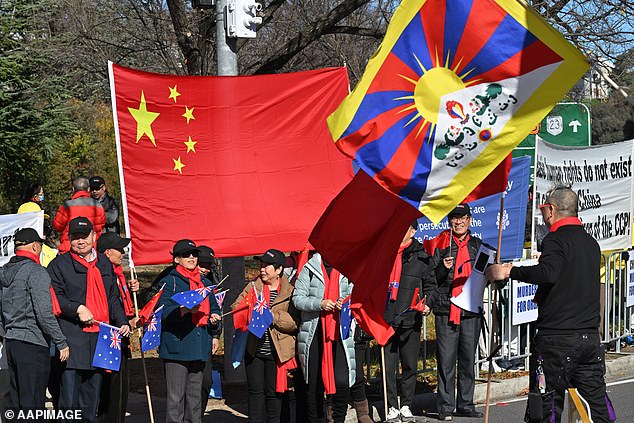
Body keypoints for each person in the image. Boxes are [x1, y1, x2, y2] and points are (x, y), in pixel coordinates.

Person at [486, 186, 615, 423]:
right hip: (588, 337)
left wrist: (509, 271)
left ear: (551, 210)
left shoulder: (555, 239)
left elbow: (548, 273)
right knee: (597, 402)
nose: (543, 215)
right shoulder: (591, 243)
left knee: (545, 405)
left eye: (543, 208)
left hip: (557, 339)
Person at [47, 217, 130, 422]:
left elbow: (112, 297)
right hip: (73, 340)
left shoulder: (104, 263)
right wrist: (76, 308)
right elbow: (53, 297)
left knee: (91, 400)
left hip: (100, 340)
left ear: (94, 236)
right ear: (69, 239)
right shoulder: (59, 265)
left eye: (84, 236)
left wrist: (122, 321)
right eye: (75, 237)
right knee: (69, 402)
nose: (80, 240)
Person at [427, 203, 484, 421]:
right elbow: (430, 279)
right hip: (446, 310)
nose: (458, 221)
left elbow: (483, 278)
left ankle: (466, 404)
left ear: (470, 220)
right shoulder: (440, 245)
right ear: (449, 221)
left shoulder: (478, 246)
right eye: (454, 217)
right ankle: (445, 407)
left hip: (470, 311)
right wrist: (443, 268)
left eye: (462, 217)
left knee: (468, 359)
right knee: (447, 361)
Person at [0, 228, 69, 409]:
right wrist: (61, 342)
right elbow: (44, 312)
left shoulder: (4, 271)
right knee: (33, 404)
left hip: (12, 343)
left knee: (17, 402)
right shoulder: (36, 271)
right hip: (33, 344)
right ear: (35, 246)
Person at [230, 249, 298, 423]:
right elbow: (236, 307)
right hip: (254, 349)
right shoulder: (254, 287)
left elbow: (294, 322)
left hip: (278, 353)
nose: (262, 269)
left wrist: (273, 317)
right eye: (261, 265)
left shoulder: (290, 291)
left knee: (274, 394)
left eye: (266, 266)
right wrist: (252, 312)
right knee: (255, 392)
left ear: (279, 270)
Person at [158, 239, 221, 423]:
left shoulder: (203, 281)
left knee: (195, 399)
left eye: (194, 254)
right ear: (177, 259)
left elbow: (215, 307)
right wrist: (183, 310)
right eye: (186, 254)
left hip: (199, 345)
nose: (192, 257)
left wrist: (214, 317)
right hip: (177, 346)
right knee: (176, 399)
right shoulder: (170, 281)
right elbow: (160, 311)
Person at [293, 251, 355, 423]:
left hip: (340, 331)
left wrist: (344, 300)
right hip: (314, 332)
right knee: (314, 384)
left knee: (342, 381)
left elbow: (355, 293)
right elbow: (297, 299)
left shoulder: (347, 267)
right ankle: (317, 419)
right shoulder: (309, 268)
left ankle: (339, 419)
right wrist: (320, 303)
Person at [384, 220, 436, 422]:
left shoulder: (422, 256)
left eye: (403, 228)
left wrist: (427, 304)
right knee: (388, 366)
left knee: (409, 365)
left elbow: (431, 286)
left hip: (410, 318)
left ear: (413, 231)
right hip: (387, 318)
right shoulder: (386, 253)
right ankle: (391, 406)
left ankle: (406, 404)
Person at [96, 233, 139, 423]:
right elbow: (107, 304)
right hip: (109, 338)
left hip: (122, 337)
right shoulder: (102, 274)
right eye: (119, 250)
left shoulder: (120, 275)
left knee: (121, 388)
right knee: (110, 389)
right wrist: (123, 322)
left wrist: (131, 291)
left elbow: (121, 303)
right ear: (107, 252)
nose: (123, 253)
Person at [197, 245, 222, 418]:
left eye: (209, 265)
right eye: (202, 265)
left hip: (206, 336)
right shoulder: (175, 278)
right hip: (185, 338)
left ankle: (197, 416)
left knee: (206, 381)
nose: (206, 269)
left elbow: (217, 307)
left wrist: (215, 334)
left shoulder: (211, 280)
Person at [52, 177, 106, 253]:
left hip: (69, 248)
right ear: (88, 189)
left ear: (73, 189)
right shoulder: (98, 206)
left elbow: (57, 226)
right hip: (91, 248)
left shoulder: (66, 206)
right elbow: (101, 225)